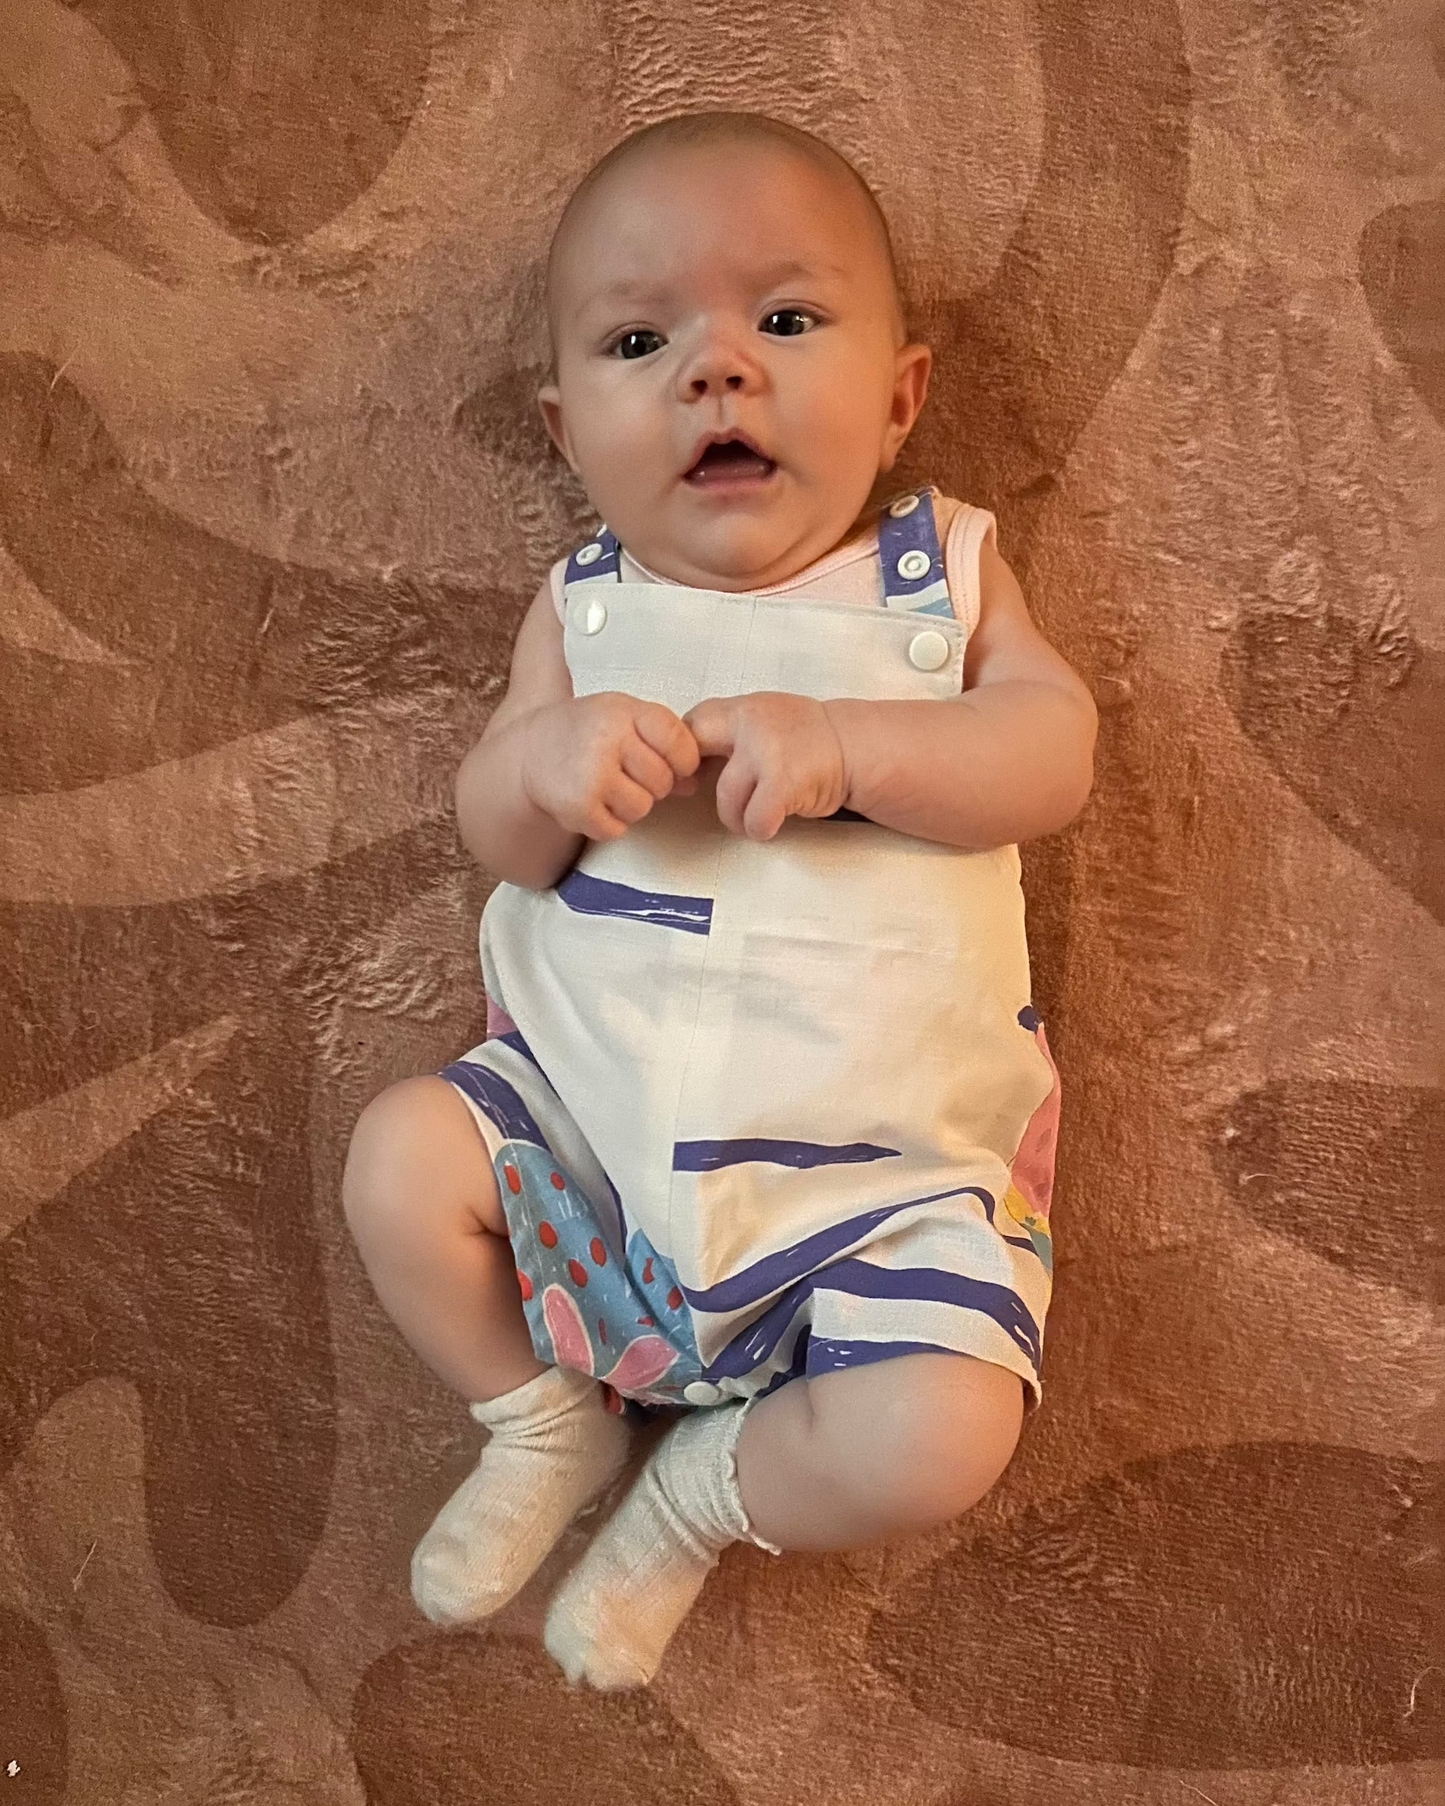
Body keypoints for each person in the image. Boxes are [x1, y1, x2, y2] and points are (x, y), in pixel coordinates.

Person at [343, 111, 1097, 1690]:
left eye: (787, 319)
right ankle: (541, 1420)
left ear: (900, 398)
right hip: (583, 1148)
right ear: (567, 434)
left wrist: (851, 745)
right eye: (641, 338)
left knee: (946, 1423)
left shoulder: (940, 576)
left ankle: (696, 1495)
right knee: (398, 1163)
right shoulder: (586, 606)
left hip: (882, 1187)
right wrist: (545, 764)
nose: (717, 369)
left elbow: (1052, 752)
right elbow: (494, 826)